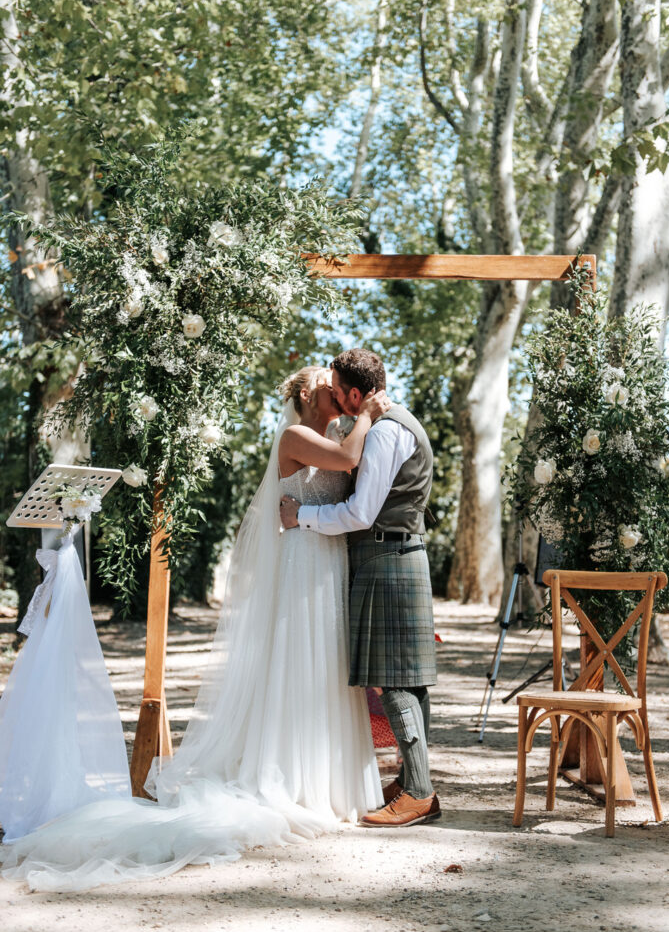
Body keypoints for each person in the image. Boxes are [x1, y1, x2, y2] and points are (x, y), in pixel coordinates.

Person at [0, 366, 388, 891]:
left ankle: (331, 778)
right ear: (306, 393)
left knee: (327, 662)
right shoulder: (298, 435)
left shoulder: (339, 429)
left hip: (329, 555)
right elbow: (347, 462)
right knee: (302, 656)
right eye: (330, 386)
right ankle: (298, 777)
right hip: (303, 556)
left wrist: (358, 420)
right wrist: (366, 413)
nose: (340, 394)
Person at [280, 348, 439, 828]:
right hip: (396, 554)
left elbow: (359, 513)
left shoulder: (385, 431)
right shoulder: (391, 423)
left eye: (339, 390)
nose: (335, 398)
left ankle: (419, 793)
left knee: (393, 679)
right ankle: (417, 783)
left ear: (355, 393)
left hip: (386, 556)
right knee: (409, 679)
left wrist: (300, 516)